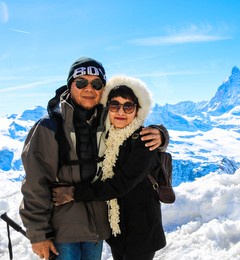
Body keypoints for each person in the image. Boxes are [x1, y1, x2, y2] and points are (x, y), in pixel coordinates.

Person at [19, 57, 169, 260]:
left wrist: (161, 134)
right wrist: (38, 234)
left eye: (96, 83)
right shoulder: (49, 126)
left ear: (102, 90)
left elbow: (135, 135)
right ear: (70, 85)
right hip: (63, 231)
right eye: (81, 82)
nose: (89, 88)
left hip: (98, 230)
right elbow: (35, 183)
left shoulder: (105, 120)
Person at [53, 75, 167, 260]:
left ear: (138, 110)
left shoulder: (144, 141)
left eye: (128, 106)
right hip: (118, 231)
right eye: (114, 105)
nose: (120, 111)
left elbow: (119, 185)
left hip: (141, 232)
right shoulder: (106, 135)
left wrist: (74, 193)